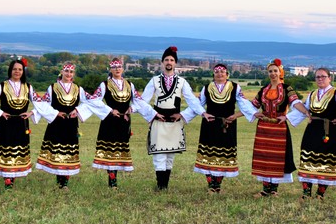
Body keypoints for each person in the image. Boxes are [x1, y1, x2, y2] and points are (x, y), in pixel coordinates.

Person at [139, 46, 212, 191]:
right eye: (166, 59)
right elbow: (142, 101)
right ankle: (161, 187)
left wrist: (196, 113)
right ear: (162, 62)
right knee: (159, 154)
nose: (169, 62)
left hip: (174, 122)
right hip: (159, 121)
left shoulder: (182, 82)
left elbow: (192, 100)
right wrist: (152, 114)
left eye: (171, 60)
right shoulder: (154, 80)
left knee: (170, 155)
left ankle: (165, 186)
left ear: (175, 63)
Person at [184, 63, 257, 193]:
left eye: (222, 71)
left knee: (223, 154)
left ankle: (217, 185)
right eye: (217, 72)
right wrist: (201, 114)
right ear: (213, 74)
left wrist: (236, 116)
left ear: (227, 74)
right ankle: (211, 184)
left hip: (227, 125)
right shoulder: (207, 88)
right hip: (210, 124)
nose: (220, 74)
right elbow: (197, 104)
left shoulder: (235, 87)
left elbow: (244, 105)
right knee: (208, 154)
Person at [292, 67, 336, 200]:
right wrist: (288, 116)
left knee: (326, 161)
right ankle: (306, 194)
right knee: (307, 159)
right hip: (312, 130)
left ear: (329, 78)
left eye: (323, 76)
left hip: (330, 131)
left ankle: (320, 194)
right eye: (317, 77)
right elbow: (305, 109)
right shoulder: (312, 94)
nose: (320, 79)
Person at [248, 59, 310, 197]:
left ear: (280, 72)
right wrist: (238, 115)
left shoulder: (287, 88)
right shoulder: (264, 89)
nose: (273, 74)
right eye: (270, 71)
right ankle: (265, 190)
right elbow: (252, 106)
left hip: (279, 127)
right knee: (264, 156)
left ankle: (274, 190)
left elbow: (295, 103)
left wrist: (306, 112)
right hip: (263, 127)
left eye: (275, 71)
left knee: (277, 158)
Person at [87, 58, 151, 189]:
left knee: (119, 150)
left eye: (119, 67)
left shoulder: (129, 84)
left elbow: (139, 101)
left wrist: (132, 108)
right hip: (110, 121)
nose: (117, 69)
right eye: (114, 67)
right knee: (111, 150)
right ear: (110, 69)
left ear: (123, 69)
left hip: (124, 121)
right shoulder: (105, 85)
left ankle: (114, 180)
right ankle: (112, 182)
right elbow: (94, 100)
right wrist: (109, 110)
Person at [0, 59, 41, 190]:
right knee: (7, 151)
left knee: (17, 151)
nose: (17, 72)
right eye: (15, 69)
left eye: (20, 69)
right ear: (10, 70)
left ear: (23, 71)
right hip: (6, 123)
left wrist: (32, 112)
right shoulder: (1, 86)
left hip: (21, 123)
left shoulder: (28, 87)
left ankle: (12, 178)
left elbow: (41, 103)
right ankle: (8, 181)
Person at [34, 62, 93, 190]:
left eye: (71, 72)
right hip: (56, 123)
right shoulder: (53, 87)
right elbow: (43, 104)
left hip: (71, 124)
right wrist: (55, 113)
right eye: (66, 71)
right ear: (62, 71)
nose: (69, 74)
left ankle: (64, 183)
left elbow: (91, 101)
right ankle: (60, 181)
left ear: (74, 74)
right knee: (58, 152)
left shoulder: (78, 89)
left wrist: (77, 110)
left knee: (68, 152)